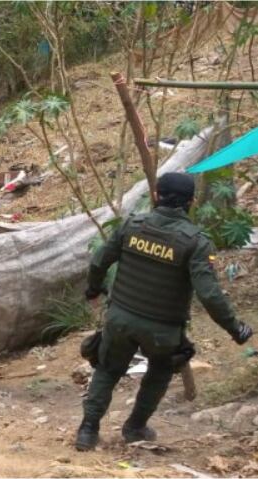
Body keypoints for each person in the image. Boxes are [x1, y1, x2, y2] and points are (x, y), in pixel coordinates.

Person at [75, 172, 253, 451]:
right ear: (191, 201)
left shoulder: (131, 226)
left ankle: (87, 431)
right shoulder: (195, 242)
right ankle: (135, 427)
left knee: (107, 370)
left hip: (120, 318)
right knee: (159, 372)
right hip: (163, 329)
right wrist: (235, 328)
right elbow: (209, 294)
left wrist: (93, 290)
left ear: (156, 196)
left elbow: (99, 261)